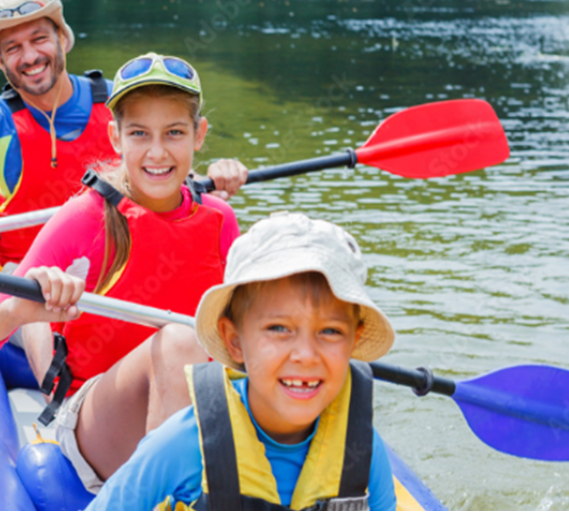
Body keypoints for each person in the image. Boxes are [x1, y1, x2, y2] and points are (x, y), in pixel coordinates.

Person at [0, 53, 241, 489]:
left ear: (198, 135)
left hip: (192, 406)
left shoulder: (220, 219)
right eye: (139, 133)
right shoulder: (83, 219)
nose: (157, 152)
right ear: (114, 136)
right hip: (96, 418)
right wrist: (15, 312)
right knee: (181, 341)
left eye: (174, 132)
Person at [0, 0, 247, 265]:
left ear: (62, 40)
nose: (30, 57)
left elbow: (170, 165)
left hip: (118, 264)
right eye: (13, 48)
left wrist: (214, 178)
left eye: (39, 39)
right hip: (28, 279)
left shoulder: (119, 102)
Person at [87, 212, 399, 511]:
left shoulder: (361, 446)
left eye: (330, 331)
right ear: (234, 341)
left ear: (354, 341)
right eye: (279, 328)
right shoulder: (184, 443)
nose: (305, 355)